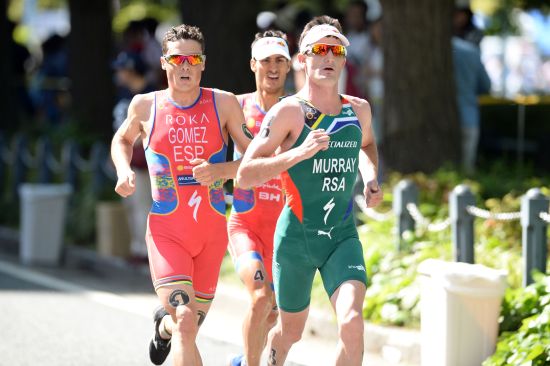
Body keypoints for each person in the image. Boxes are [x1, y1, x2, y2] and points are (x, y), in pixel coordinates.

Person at [236, 15, 383, 366]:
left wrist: (371, 177)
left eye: (335, 50)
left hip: (341, 236)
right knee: (290, 333)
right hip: (296, 240)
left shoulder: (358, 109)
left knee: (352, 322)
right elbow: (244, 175)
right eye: (319, 50)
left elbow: (367, 145)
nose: (328, 57)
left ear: (344, 59)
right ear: (303, 59)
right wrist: (299, 152)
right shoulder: (289, 112)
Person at [111, 24, 250, 366]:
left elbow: (255, 156)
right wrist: (124, 170)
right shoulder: (145, 105)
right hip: (167, 230)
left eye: (193, 58)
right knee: (186, 320)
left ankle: (164, 329)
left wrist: (222, 171)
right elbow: (122, 140)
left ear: (203, 63)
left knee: (187, 326)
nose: (185, 66)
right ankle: (172, 325)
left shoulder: (225, 103)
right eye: (177, 58)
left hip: (211, 233)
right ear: (163, 62)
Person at [227, 30, 291, 366]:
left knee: (271, 314)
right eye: (266, 60)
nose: (273, 67)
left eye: (280, 60)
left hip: (284, 230)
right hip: (245, 224)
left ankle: (243, 359)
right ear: (253, 64)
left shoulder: (298, 110)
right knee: (260, 297)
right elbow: (213, 161)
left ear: (290, 65)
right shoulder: (235, 106)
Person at [112, 51, 156, 262]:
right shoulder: (123, 93)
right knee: (132, 206)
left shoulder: (151, 95)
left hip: (145, 161)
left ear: (131, 70)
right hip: (127, 158)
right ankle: (137, 246)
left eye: (122, 69)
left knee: (143, 205)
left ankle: (145, 250)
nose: (118, 73)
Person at [452, 36, 491, 174]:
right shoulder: (472, 52)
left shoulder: (434, 49)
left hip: (442, 118)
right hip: (469, 116)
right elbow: (486, 86)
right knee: (467, 169)